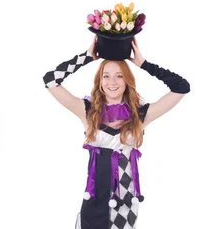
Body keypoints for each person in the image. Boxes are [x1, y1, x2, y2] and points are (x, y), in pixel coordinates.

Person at [42, 36, 190, 229]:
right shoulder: (87, 110)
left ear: (127, 81)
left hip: (125, 203)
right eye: (106, 75)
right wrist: (87, 57)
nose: (112, 81)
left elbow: (182, 87)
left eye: (119, 75)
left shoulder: (140, 114)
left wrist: (144, 64)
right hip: (94, 201)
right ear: (100, 81)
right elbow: (50, 80)